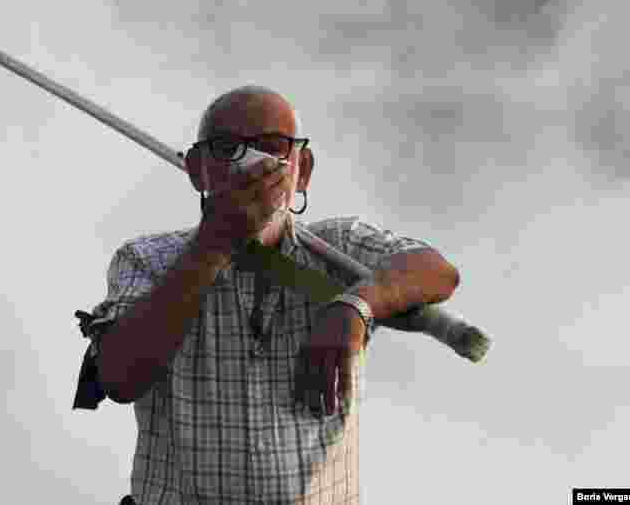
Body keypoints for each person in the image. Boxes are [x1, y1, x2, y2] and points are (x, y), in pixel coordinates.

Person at [73, 86, 460, 504]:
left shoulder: (340, 251)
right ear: (197, 170)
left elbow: (438, 272)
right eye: (227, 148)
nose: (251, 164)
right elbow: (119, 378)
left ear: (302, 169)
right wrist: (215, 244)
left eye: (271, 147)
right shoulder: (146, 259)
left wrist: (354, 307)